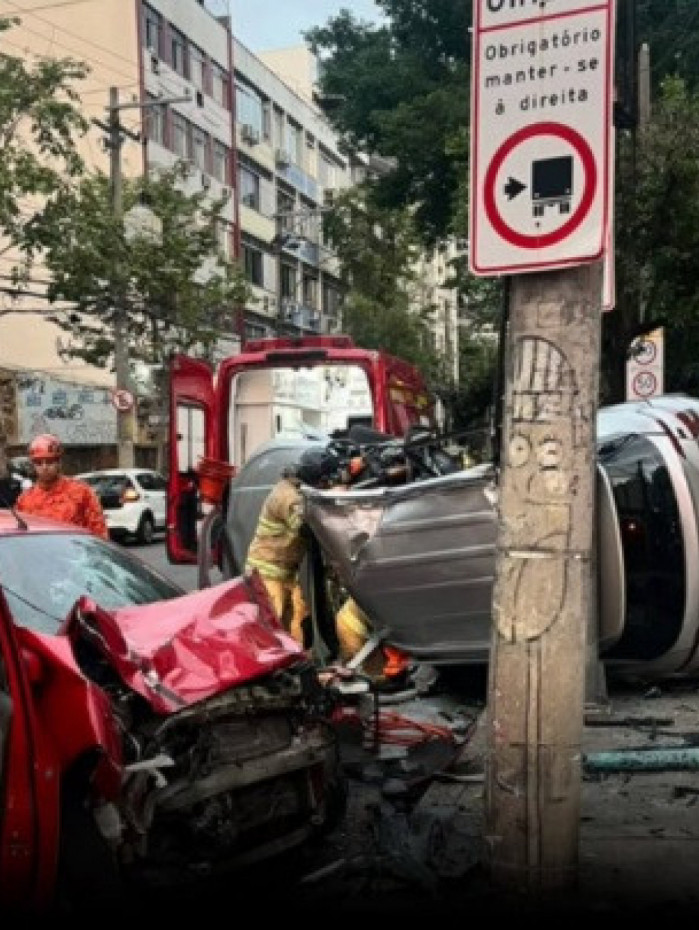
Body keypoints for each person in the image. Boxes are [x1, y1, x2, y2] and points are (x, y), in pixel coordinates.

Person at [245, 445, 340, 646]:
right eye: (324, 480)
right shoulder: (286, 496)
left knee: (297, 624)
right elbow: (307, 526)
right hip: (267, 575)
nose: (327, 484)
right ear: (313, 476)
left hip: (285, 574)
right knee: (273, 627)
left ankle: (299, 667)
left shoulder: (297, 489)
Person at [17, 433, 109, 539]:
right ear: (33, 465)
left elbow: (98, 532)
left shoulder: (81, 492)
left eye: (49, 462)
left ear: (59, 462)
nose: (44, 467)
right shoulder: (25, 500)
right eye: (39, 463)